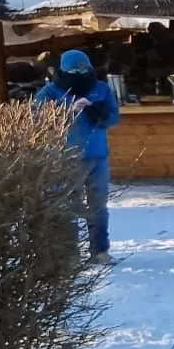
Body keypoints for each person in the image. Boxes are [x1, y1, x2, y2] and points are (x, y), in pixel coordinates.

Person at [34, 49, 121, 264]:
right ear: (63, 70)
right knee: (68, 206)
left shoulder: (100, 89)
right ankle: (69, 253)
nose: (79, 73)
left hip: (98, 156)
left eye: (83, 68)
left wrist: (97, 111)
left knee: (98, 206)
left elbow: (113, 117)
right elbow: (37, 119)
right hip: (65, 157)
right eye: (74, 69)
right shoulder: (50, 92)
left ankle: (100, 250)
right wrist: (68, 110)